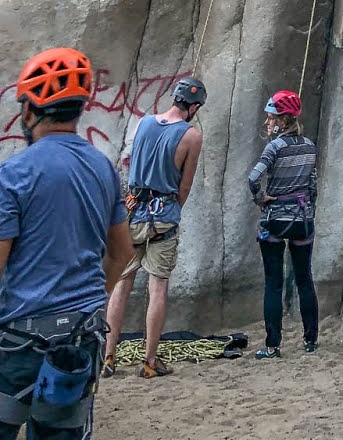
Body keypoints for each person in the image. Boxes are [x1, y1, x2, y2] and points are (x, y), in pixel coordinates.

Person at [0, 47, 132, 440]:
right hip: (80, 335)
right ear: (79, 111)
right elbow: (123, 252)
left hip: (19, 341)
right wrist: (93, 297)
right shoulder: (102, 168)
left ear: (28, 112)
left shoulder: (13, 174)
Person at [103, 75, 205, 379]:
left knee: (122, 284)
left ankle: (109, 357)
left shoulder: (144, 123)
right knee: (157, 286)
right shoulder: (192, 136)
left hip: (133, 211)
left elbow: (135, 166)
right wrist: (171, 211)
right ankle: (149, 361)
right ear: (195, 106)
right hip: (164, 214)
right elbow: (184, 187)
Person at [248, 91, 318, 359]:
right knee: (304, 279)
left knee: (273, 283)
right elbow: (312, 187)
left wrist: (261, 199)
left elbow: (253, 178)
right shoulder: (310, 145)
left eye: (271, 118)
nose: (268, 122)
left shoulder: (274, 147)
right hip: (303, 220)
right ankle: (310, 340)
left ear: (282, 121)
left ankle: (273, 345)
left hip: (275, 219)